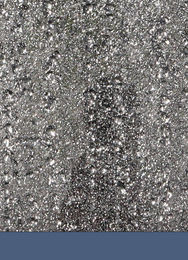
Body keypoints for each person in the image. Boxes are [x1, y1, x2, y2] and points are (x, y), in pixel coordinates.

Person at [58, 76, 143, 231]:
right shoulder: (119, 170)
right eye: (134, 115)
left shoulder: (87, 168)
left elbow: (68, 221)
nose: (138, 123)